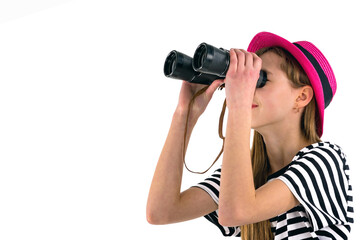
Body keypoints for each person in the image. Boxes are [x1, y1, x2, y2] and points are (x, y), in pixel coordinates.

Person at [146, 32, 354, 239]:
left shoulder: (325, 159)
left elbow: (236, 212)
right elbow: (161, 212)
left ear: (301, 97)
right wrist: (185, 114)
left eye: (260, 79)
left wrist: (239, 106)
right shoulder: (248, 173)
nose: (247, 88)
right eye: (248, 80)